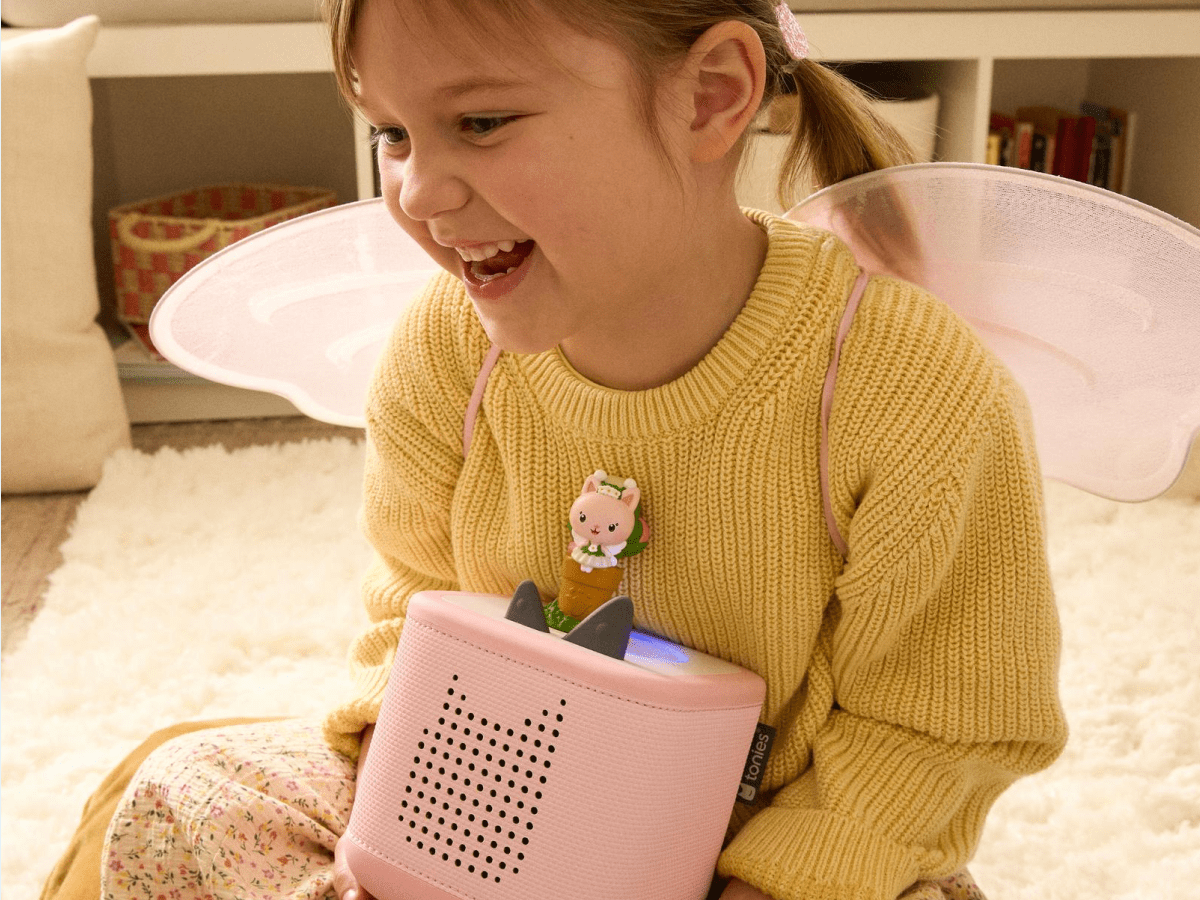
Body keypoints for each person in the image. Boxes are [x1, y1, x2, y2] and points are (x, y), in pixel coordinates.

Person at [98, 1, 1068, 899]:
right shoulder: (447, 344)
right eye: (391, 132)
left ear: (712, 96)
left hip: (768, 852)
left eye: (480, 123)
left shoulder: (913, 389)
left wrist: (764, 883)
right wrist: (402, 821)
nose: (419, 191)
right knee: (189, 787)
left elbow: (938, 727)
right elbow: (411, 604)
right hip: (481, 810)